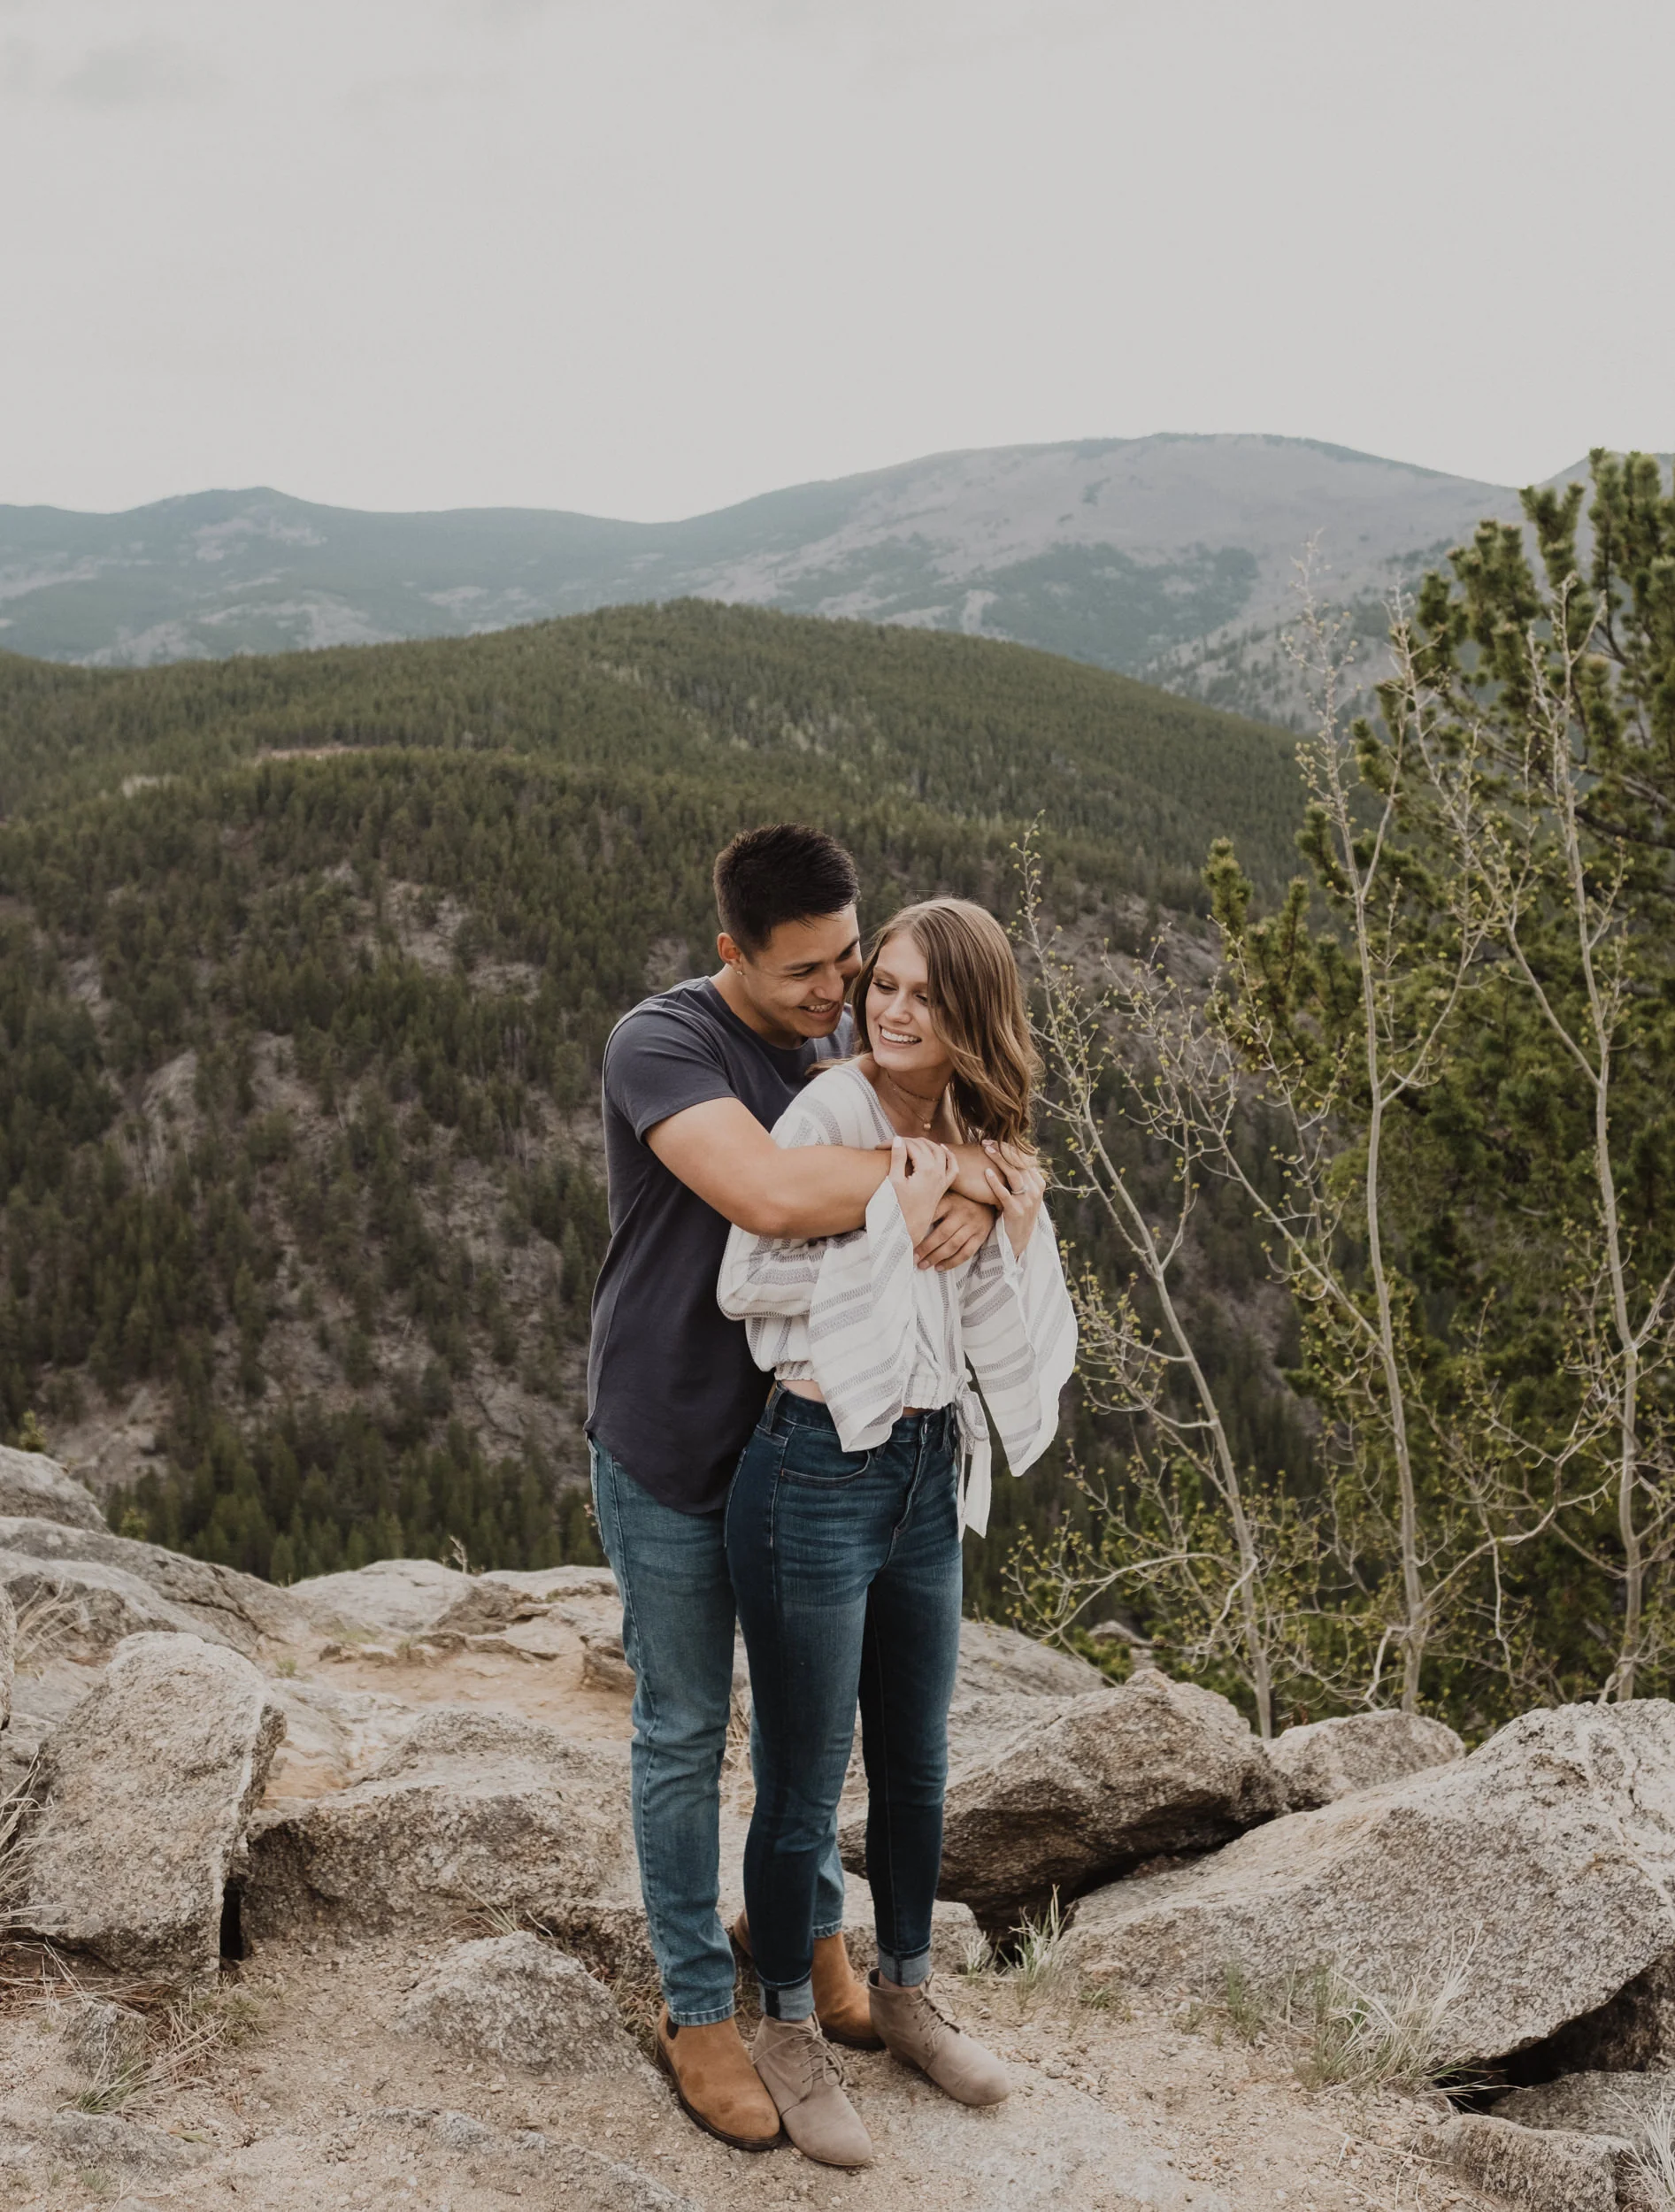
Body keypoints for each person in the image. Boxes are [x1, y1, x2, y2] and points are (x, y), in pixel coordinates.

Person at [587, 826, 1003, 2152]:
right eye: (808, 976)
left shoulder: (846, 1043)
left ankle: (812, 1945)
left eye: (853, 958)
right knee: (687, 1722)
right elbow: (766, 1191)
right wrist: (957, 1174)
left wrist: (994, 1183)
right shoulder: (664, 1044)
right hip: (669, 1435)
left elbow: (959, 1122)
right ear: (732, 958)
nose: (843, 994)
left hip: (816, 1448)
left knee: (807, 1729)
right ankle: (700, 2007)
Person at [718, 897, 1077, 2168]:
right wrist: (888, 1227)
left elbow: (1004, 1305)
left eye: (924, 992)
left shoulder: (978, 1129)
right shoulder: (831, 1112)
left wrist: (986, 1211)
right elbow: (743, 1277)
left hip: (929, 1465)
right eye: (887, 985)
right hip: (814, 1462)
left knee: (918, 1763)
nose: (892, 1006)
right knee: (806, 1783)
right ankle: (782, 2027)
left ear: (973, 1010)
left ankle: (909, 1994)